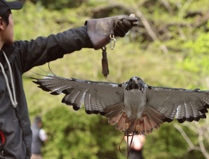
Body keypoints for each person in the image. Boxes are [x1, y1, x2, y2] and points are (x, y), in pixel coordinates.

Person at [0, 0, 139, 158]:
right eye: (12, 17)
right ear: (1, 23)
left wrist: (104, 29)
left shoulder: (12, 56)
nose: (13, 23)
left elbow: (57, 43)